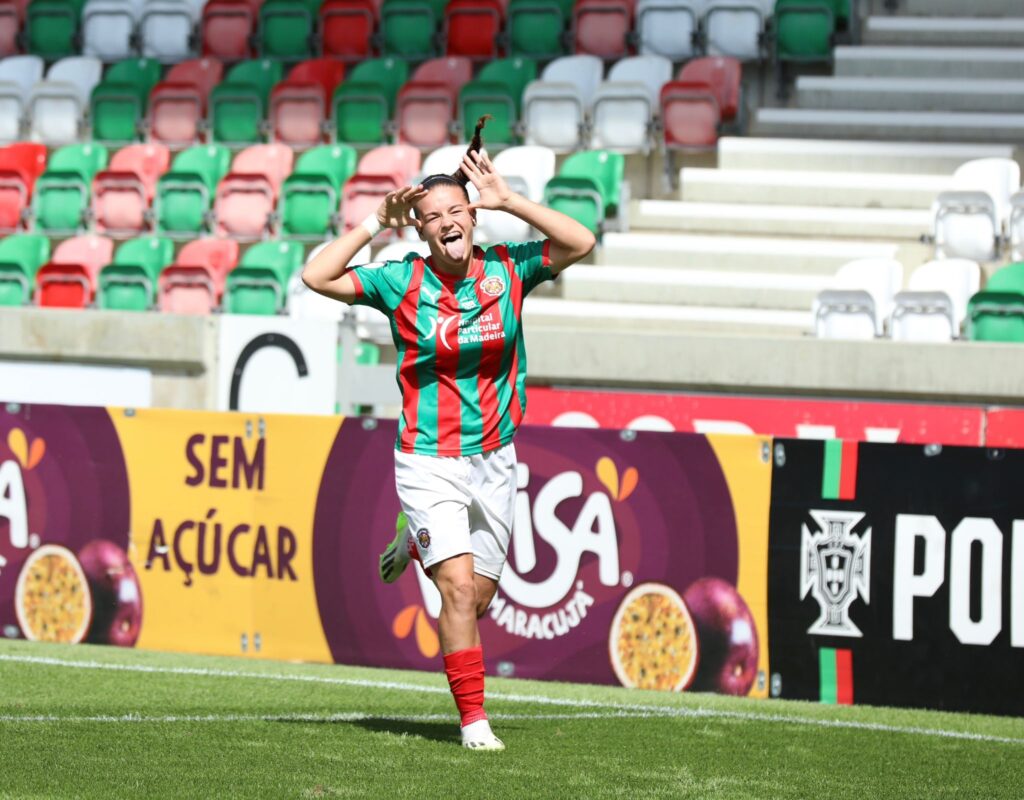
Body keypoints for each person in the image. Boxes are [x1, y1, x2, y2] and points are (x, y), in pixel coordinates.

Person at [301, 120, 596, 751]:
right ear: (421, 228)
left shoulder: (510, 270)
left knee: (478, 598)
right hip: (427, 459)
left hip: (495, 457)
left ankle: (415, 536)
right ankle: (474, 722)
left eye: (456, 210)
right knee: (458, 589)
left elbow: (583, 241)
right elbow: (317, 277)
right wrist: (374, 222)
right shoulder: (400, 280)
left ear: (473, 216)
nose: (446, 221)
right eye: (432, 215)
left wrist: (511, 199)